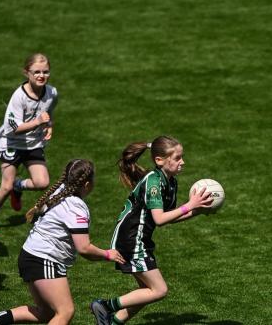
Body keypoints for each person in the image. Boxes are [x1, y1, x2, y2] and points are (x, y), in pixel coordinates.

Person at [0, 159, 125, 325]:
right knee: (65, 312)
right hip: (43, 259)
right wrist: (107, 254)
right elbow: (84, 248)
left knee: (47, 313)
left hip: (31, 255)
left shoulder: (60, 191)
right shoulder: (76, 207)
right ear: (86, 184)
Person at [88, 136, 215, 325]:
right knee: (159, 290)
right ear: (160, 160)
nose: (183, 162)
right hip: (131, 239)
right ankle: (106, 306)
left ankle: (112, 322)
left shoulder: (171, 182)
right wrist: (189, 205)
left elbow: (170, 217)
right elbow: (160, 219)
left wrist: (197, 211)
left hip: (140, 238)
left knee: (146, 292)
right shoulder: (153, 182)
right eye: (178, 158)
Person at [0, 53, 58, 232]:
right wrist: (38, 122)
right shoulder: (19, 97)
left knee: (42, 182)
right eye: (36, 72)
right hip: (11, 144)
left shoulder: (52, 92)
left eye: (45, 72)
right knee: (5, 186)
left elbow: (49, 111)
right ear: (26, 73)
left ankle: (18, 186)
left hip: (33, 144)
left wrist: (49, 125)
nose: (41, 76)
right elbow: (12, 128)